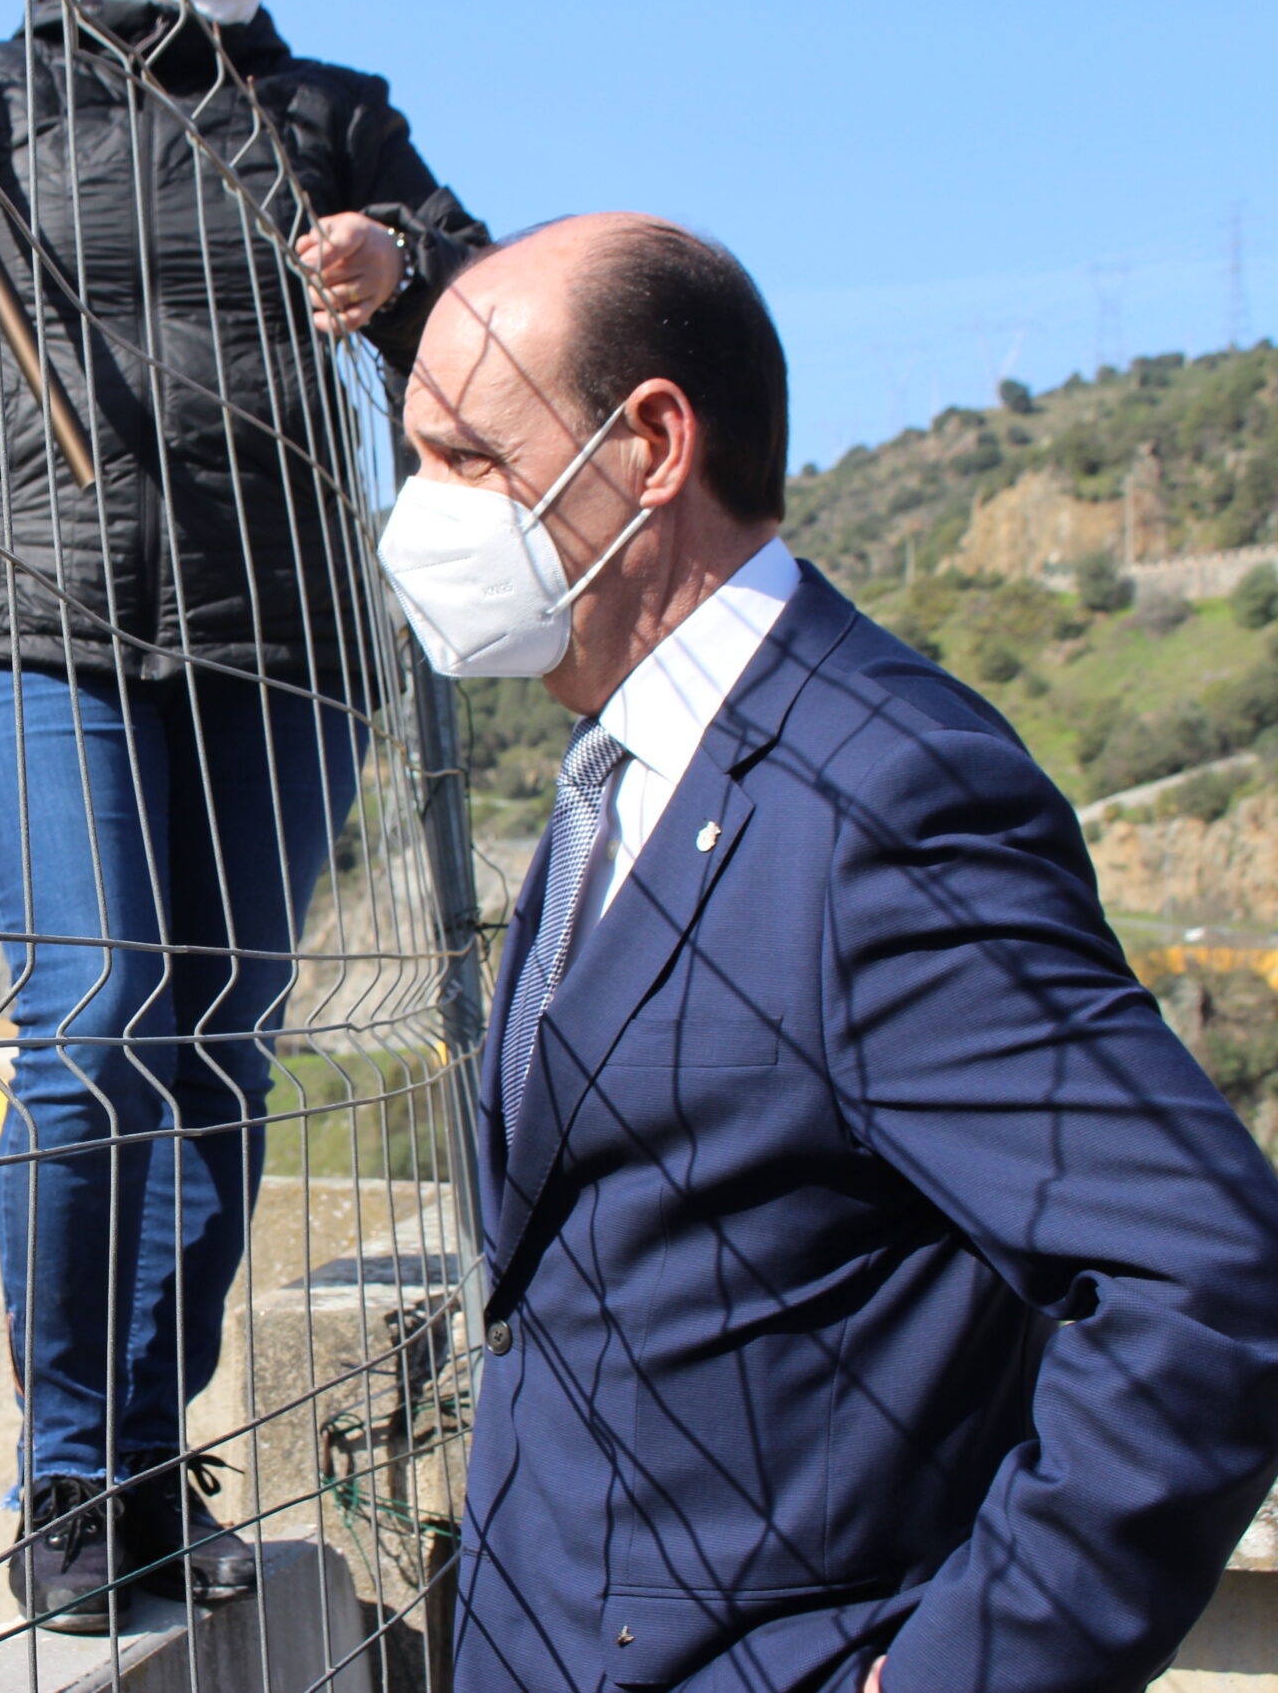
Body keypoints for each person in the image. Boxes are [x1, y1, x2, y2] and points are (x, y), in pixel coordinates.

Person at [379, 213, 1278, 1693]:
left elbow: (1209, 1274)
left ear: (652, 442)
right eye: (418, 459)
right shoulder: (624, 773)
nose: (427, 509)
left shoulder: (882, 796)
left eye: (470, 457)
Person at [0, 0, 488, 1633]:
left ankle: (151, 1461)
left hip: (284, 628)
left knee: (220, 1039)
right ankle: (75, 1476)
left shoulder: (327, 113)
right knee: (98, 1007)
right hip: (24, 601)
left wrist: (394, 265)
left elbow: (477, 300)